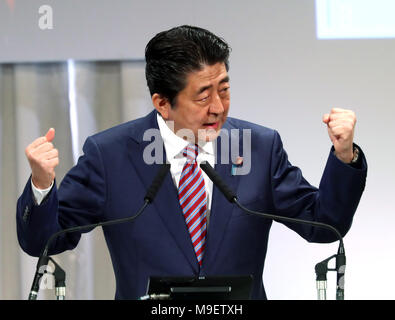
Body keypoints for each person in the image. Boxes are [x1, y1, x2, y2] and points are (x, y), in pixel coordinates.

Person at [17, 25, 367, 300]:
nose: (218, 106)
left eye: (224, 89)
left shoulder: (260, 147)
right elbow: (44, 242)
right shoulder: (110, 155)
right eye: (203, 95)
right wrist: (42, 185)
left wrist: (344, 155)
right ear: (162, 103)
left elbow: (324, 225)